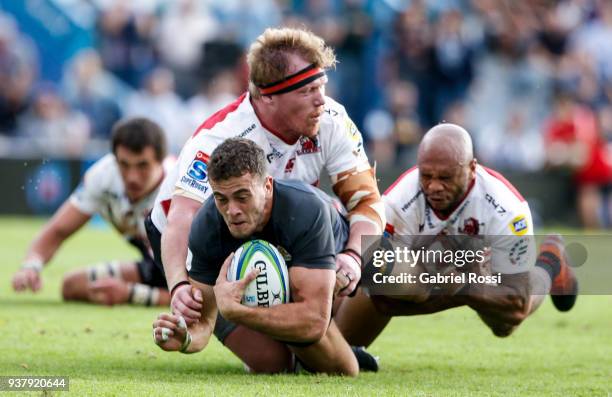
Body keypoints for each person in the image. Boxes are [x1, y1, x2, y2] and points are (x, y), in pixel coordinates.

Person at [145, 27, 384, 325]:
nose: (321, 100)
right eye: (307, 91)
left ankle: (335, 342)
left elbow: (367, 201)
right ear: (268, 96)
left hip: (267, 229)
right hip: (197, 237)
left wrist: (351, 257)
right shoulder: (220, 135)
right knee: (271, 363)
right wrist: (179, 285)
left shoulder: (331, 120)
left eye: (321, 86)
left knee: (365, 243)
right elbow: (182, 217)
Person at [336, 123, 579, 346]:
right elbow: (382, 300)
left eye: (445, 178)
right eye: (426, 176)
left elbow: (516, 306)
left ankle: (548, 263)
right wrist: (460, 285)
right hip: (447, 273)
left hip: (487, 267)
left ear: (472, 168)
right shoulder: (398, 201)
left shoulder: (507, 209)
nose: (433, 187)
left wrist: (458, 282)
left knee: (503, 325)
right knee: (345, 347)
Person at [152, 138, 373, 375]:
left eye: (242, 196)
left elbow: (313, 322)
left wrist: (238, 312)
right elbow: (204, 323)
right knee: (272, 364)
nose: (232, 210)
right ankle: (303, 355)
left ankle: (342, 344)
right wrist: (185, 337)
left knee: (346, 368)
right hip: (290, 294)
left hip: (343, 282)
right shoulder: (206, 227)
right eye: (221, 199)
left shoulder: (305, 210)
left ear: (267, 186)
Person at [12, 117, 172, 306]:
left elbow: (200, 287)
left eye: (142, 165)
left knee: (190, 296)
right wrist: (31, 265)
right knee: (73, 286)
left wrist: (130, 294)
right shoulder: (102, 177)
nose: (132, 177)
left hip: (186, 268)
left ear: (161, 160)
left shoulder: (176, 189)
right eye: (124, 164)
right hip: (153, 264)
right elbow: (57, 230)